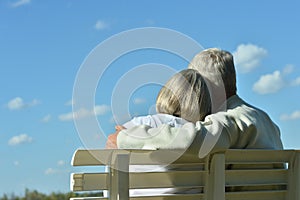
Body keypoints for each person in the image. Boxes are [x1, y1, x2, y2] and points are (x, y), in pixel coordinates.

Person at [106, 48, 284, 158]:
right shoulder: (265, 120)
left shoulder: (230, 120)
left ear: (206, 86)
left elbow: (190, 139)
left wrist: (128, 137)